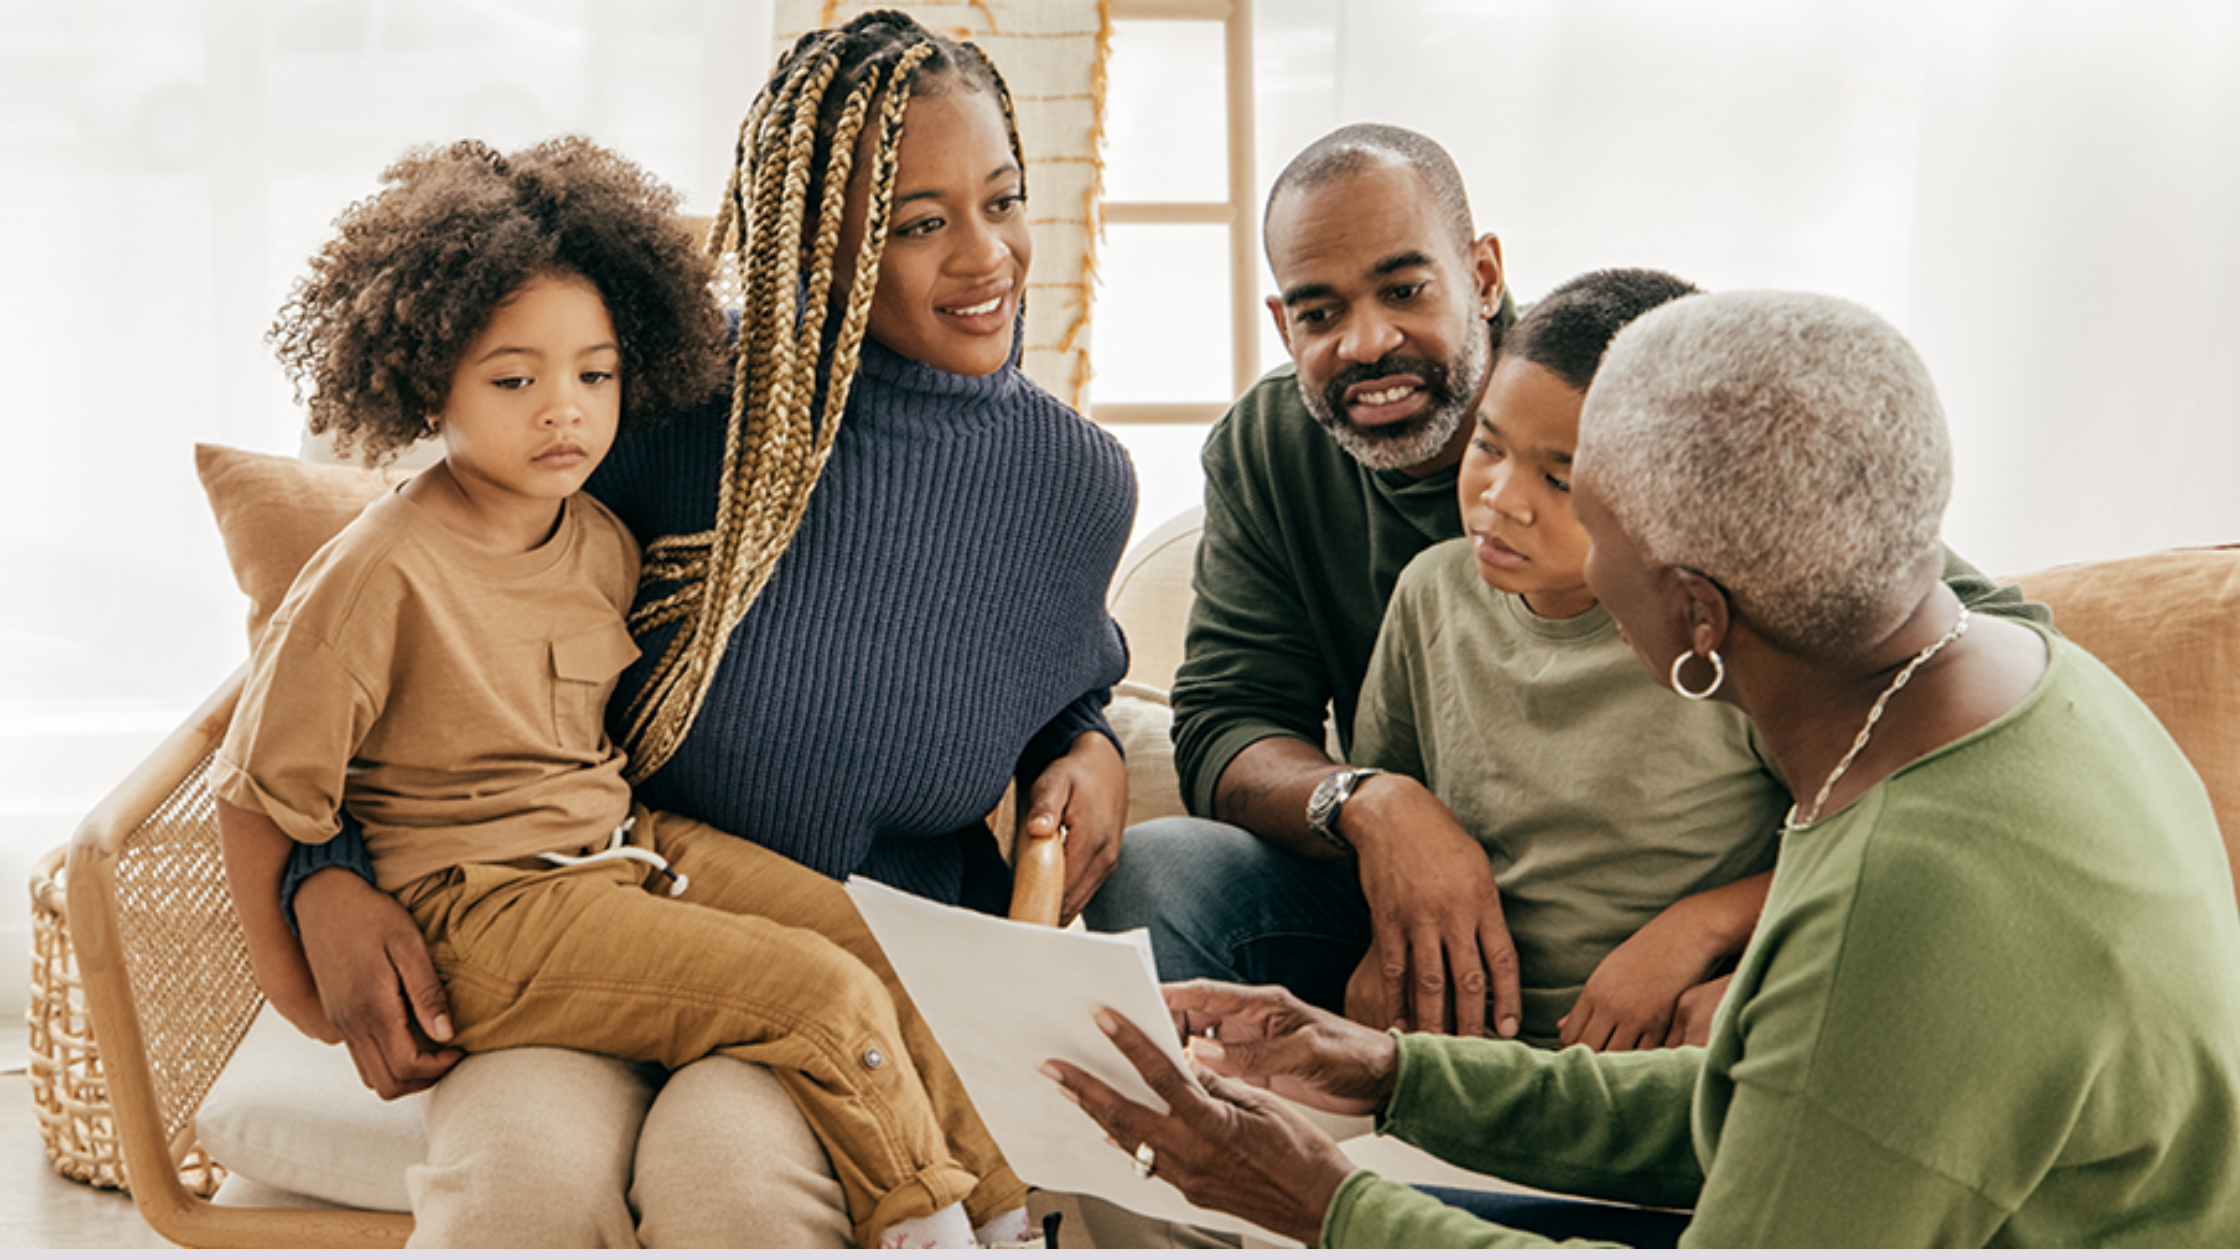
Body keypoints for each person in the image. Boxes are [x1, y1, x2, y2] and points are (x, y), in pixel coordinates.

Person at [1048, 289, 2240, 1247]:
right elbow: (1781, 1102)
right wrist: (1392, 1072)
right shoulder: (2027, 685)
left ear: (1693, 614)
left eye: (1590, 515)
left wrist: (1322, 1203)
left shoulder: (1913, 894)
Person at [264, 12, 1135, 1247]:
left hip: (849, 962)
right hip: (568, 910)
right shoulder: (652, 411)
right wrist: (325, 878)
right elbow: (410, 647)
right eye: (917, 223)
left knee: (724, 1177)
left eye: (1001, 199)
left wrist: (1087, 739)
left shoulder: (1072, 486)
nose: (986, 255)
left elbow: (1046, 676)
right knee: (518, 1185)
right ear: (813, 238)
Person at [1085, 123, 2050, 1041]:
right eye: (1320, 311)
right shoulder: (1300, 474)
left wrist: (1738, 936)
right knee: (1163, 869)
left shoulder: (1642, 386)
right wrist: (1373, 809)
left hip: (1680, 937)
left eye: (1406, 290)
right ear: (1283, 321)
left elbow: (1968, 645)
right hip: (1429, 902)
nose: (1368, 342)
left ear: (1484, 275)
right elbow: (1225, 721)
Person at [1348, 266, 1781, 1051]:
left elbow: (1858, 842)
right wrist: (1386, 943)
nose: (1500, 499)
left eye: (1558, 478)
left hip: (1658, 1055)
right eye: (1487, 444)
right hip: (1464, 1051)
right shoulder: (1430, 594)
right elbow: (1390, 816)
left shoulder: (1738, 633)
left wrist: (1701, 929)